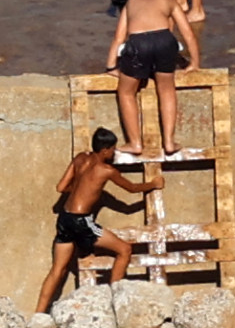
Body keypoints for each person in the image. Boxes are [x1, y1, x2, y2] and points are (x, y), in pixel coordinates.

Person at [35, 127, 165, 312]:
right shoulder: (106, 170)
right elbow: (132, 188)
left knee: (58, 270)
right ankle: (114, 302)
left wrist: (82, 189)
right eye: (113, 149)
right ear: (104, 150)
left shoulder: (80, 158)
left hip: (65, 219)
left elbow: (61, 187)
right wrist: (153, 184)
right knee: (124, 249)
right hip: (82, 223)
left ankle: (38, 315)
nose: (114, 152)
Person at [107, 0, 203, 157]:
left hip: (138, 43)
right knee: (167, 89)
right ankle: (168, 141)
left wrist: (111, 65)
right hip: (164, 41)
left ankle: (135, 143)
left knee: (126, 92)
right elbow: (187, 33)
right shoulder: (169, 1)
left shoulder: (132, 1)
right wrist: (194, 63)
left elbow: (119, 37)